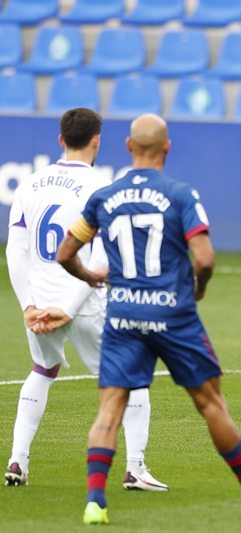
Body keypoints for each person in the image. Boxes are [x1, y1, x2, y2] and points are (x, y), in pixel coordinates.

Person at [51, 114, 241, 524]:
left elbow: (64, 254)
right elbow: (205, 259)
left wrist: (92, 276)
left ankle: (95, 502)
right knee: (211, 404)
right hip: (173, 315)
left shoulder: (104, 197)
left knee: (110, 409)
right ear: (166, 147)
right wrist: (199, 287)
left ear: (128, 146)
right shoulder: (181, 195)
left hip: (123, 315)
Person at [4, 108, 165, 492]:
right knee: (133, 378)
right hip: (84, 304)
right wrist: (69, 308)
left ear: (61, 140)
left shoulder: (29, 184)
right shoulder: (102, 187)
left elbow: (15, 250)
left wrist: (28, 305)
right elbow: (101, 259)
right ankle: (135, 468)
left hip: (39, 306)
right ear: (97, 140)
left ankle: (17, 460)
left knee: (42, 370)